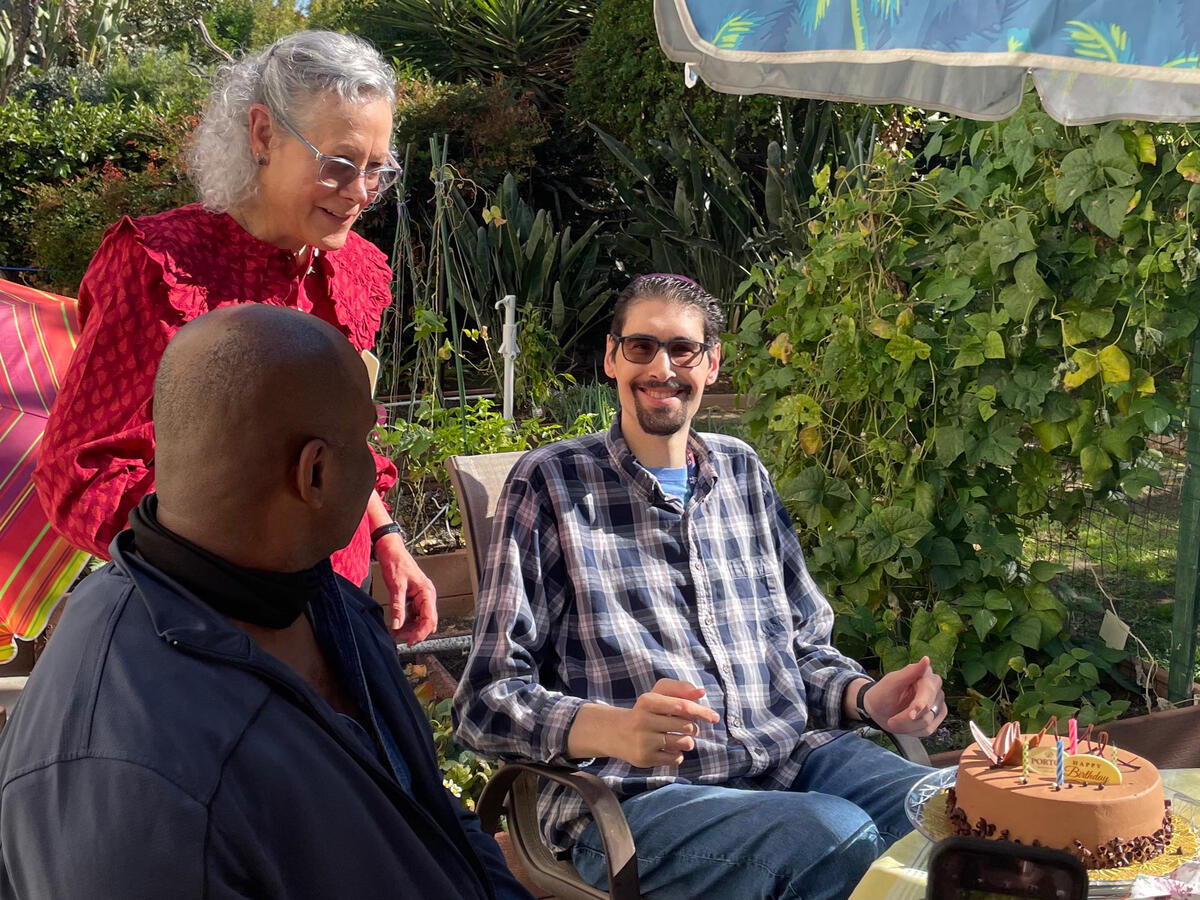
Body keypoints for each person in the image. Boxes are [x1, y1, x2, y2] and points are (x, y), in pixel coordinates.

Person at [0, 305, 533, 900]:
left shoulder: (318, 599)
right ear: (314, 473)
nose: (377, 469)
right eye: (366, 441)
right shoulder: (142, 777)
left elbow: (431, 816)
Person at [454, 274, 948, 900]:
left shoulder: (742, 472)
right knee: (833, 837)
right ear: (611, 358)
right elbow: (485, 699)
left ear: (711, 364)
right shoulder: (551, 484)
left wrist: (867, 697)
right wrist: (613, 728)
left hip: (790, 761)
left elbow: (800, 648)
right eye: (641, 347)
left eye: (682, 349)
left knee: (956, 814)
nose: (661, 368)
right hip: (636, 798)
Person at [32, 29, 435, 645]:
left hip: (334, 604)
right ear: (263, 135)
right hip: (210, 628)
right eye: (338, 165)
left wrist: (385, 535)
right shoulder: (160, 265)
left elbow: (338, 445)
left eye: (376, 169)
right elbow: (81, 473)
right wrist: (235, 576)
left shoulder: (350, 271)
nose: (359, 193)